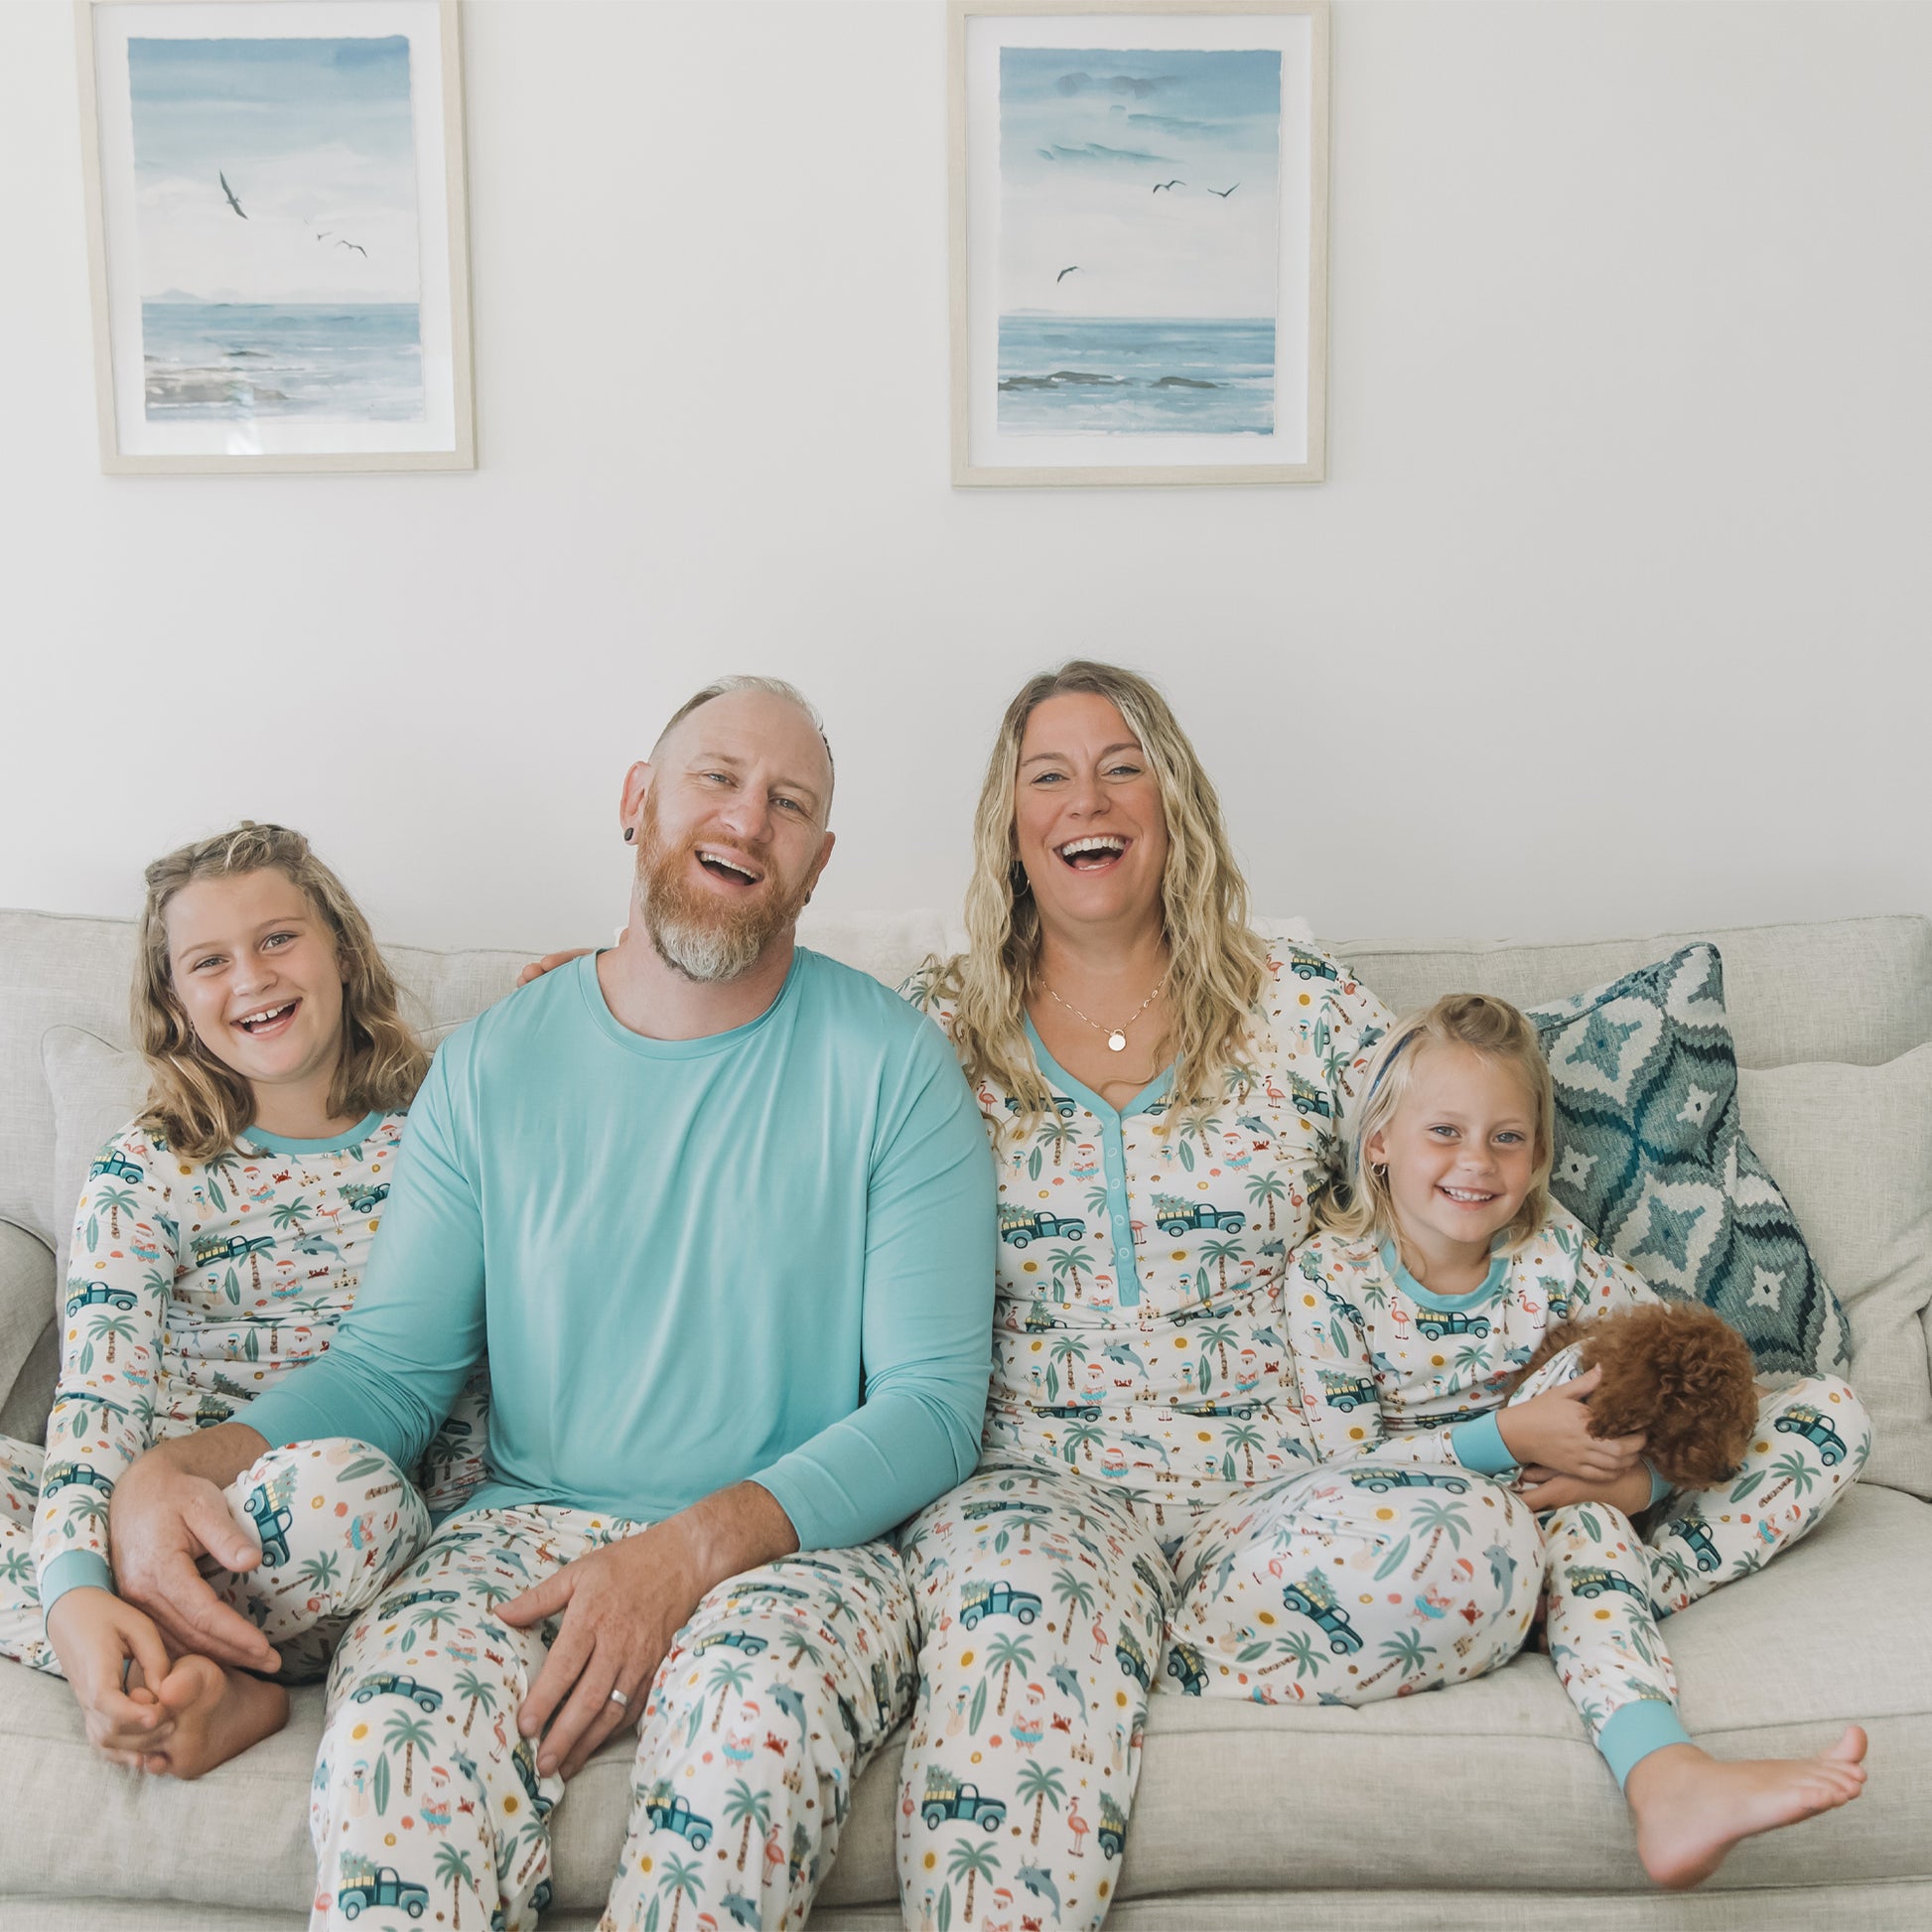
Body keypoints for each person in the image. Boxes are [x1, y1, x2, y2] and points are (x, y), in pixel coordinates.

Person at [106, 678, 996, 1932]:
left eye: (787, 802)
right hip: (522, 1536)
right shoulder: (492, 1060)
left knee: (748, 1757)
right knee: (389, 1753)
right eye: (715, 778)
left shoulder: (895, 1064)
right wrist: (172, 1463)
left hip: (794, 1554)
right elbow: (389, 1372)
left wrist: (684, 1552)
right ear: (636, 800)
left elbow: (933, 1406)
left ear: (816, 860)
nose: (746, 816)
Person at [894, 662, 1546, 1931]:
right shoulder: (933, 1022)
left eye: (1122, 763)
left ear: (1172, 798)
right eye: (1050, 772)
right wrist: (618, 971)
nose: (1089, 795)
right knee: (1018, 1626)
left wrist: (1599, 1379)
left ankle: (1149, 1640)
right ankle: (1089, 1632)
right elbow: (760, 1065)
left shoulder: (1298, 1002)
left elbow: (1462, 1161)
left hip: (1276, 1489)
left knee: (1482, 1548)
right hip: (1038, 1486)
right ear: (1010, 821)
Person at [1286, 992, 1872, 1887]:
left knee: (1829, 1412)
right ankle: (1661, 1767)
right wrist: (1510, 1436)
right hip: (1444, 1525)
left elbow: (1672, 1378)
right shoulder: (1331, 1277)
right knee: (1579, 1519)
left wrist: (1634, 1493)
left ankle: (1599, 1596)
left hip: (1594, 1506)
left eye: (1506, 1139)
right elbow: (1341, 1470)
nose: (1475, 1162)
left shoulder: (1553, 1257)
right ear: (1380, 1143)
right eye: (1443, 1131)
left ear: (1538, 1157)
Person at [0, 822, 483, 1776]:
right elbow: (95, 1410)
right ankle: (162, 1661)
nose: (251, 977)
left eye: (277, 939)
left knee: (346, 1494)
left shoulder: (439, 1131)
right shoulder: (147, 1170)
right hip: (142, 1519)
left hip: (327, 1531)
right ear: (175, 1002)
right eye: (209, 961)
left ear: (341, 953)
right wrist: (74, 1591)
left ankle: (190, 1660)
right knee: (59, 1516)